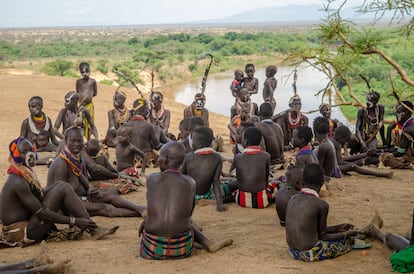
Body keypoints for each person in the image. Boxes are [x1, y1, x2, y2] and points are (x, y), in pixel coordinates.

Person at [0, 137, 118, 246]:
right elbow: (41, 212)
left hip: (30, 220)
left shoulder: (24, 172)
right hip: (23, 232)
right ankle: (92, 228)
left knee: (62, 186)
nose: (30, 154)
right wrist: (74, 221)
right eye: (24, 152)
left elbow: (38, 197)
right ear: (16, 155)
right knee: (60, 188)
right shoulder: (17, 181)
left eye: (31, 149)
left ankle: (92, 227)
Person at [139, 141, 233, 260]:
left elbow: (152, 206)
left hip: (152, 247)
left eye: (160, 157)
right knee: (185, 220)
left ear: (165, 160)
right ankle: (207, 242)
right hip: (181, 247)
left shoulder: (152, 178)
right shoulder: (190, 182)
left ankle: (207, 243)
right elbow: (188, 213)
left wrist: (147, 221)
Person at [47, 126, 146, 218]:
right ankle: (139, 212)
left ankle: (141, 209)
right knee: (104, 208)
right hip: (68, 205)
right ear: (66, 141)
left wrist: (89, 190)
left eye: (79, 141)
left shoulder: (76, 158)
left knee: (111, 195)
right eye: (73, 141)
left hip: (82, 197)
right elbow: (59, 194)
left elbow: (80, 176)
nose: (76, 144)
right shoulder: (62, 163)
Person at [285, 163, 363, 262]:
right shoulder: (321, 204)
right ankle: (359, 235)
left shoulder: (293, 198)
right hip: (309, 253)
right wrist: (347, 234)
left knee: (339, 234)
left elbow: (312, 229)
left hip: (292, 250)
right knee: (347, 241)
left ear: (302, 181)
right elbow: (323, 236)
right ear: (322, 183)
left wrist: (337, 228)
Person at [181, 127, 228, 212]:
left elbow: (181, 177)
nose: (191, 142)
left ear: (200, 143)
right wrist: (219, 205)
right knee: (229, 189)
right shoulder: (217, 157)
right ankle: (212, 201)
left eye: (193, 140)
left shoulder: (189, 157)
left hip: (190, 195)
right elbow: (216, 182)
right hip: (207, 194)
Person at [230, 127, 276, 208]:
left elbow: (239, 179)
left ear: (246, 141)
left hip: (241, 200)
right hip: (261, 201)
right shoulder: (266, 156)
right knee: (277, 184)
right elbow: (266, 179)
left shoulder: (238, 157)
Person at [76, 62, 97, 140]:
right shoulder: (78, 82)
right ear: (80, 73)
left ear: (90, 71)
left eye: (87, 71)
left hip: (89, 106)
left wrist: (89, 97)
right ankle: (82, 137)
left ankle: (90, 137)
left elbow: (95, 93)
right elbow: (77, 91)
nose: (85, 74)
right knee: (80, 121)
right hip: (80, 105)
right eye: (83, 72)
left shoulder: (93, 81)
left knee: (90, 121)